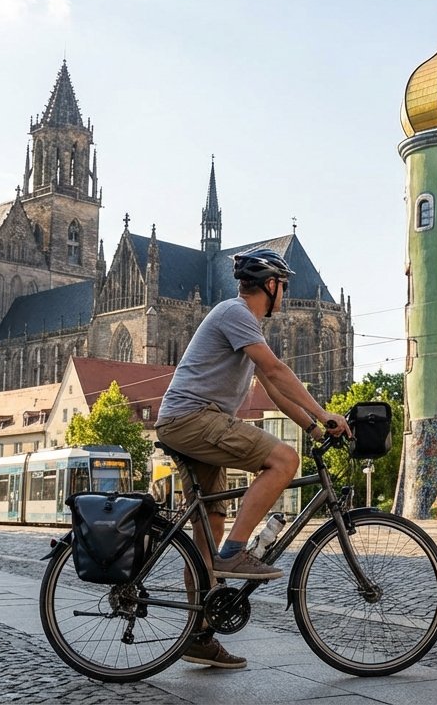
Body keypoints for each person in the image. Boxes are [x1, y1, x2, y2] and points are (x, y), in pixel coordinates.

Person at [155, 247, 348, 669]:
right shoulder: (236, 312)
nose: (285, 293)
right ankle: (237, 551)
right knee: (283, 460)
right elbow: (278, 371)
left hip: (191, 422)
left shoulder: (246, 324)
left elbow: (274, 388)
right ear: (269, 285)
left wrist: (314, 428)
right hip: (193, 420)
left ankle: (199, 635)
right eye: (284, 285)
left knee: (208, 532)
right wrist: (322, 412)